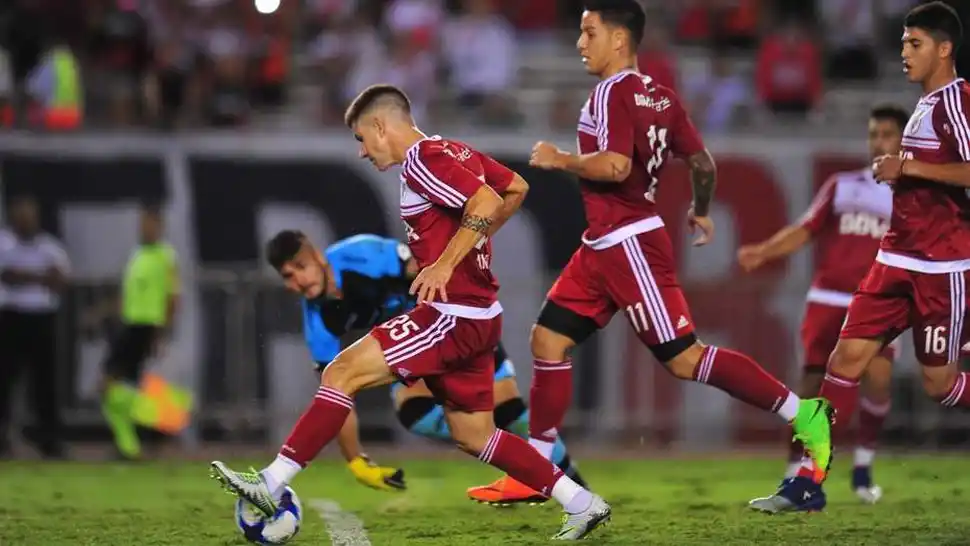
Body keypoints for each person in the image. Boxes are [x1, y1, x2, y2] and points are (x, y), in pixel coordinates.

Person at [211, 84, 611, 540]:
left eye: (362, 138)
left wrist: (445, 263)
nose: (362, 151)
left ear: (381, 125)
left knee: (341, 372)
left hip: (450, 315)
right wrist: (469, 245)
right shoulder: (451, 150)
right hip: (478, 315)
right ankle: (582, 502)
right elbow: (515, 188)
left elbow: (485, 201)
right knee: (475, 435)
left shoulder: (421, 160)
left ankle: (270, 482)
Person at [509, 0, 834, 497]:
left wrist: (562, 159)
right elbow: (702, 163)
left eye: (589, 32)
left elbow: (616, 166)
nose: (580, 43)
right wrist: (701, 208)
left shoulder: (611, 93)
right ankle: (537, 470)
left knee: (685, 359)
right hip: (603, 243)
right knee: (548, 340)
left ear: (619, 39)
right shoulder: (661, 98)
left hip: (628, 242)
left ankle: (803, 412)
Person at [750, 1, 970, 513]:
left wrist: (907, 169)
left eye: (915, 44)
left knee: (939, 384)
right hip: (896, 259)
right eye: (903, 43)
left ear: (944, 49)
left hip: (940, 268)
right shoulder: (924, 104)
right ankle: (809, 482)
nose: (904, 52)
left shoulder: (957, 101)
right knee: (843, 361)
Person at [263, 230, 587, 500]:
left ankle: (570, 485)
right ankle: (522, 464)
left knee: (511, 414)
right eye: (287, 277)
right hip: (413, 347)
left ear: (318, 257)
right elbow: (335, 397)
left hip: (455, 327)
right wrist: (356, 460)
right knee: (416, 414)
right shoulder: (317, 321)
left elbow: (428, 267)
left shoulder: (361, 254)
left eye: (298, 269)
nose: (295, 283)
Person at [737, 105, 908, 505]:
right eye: (873, 134)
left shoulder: (913, 196)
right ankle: (793, 473)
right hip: (828, 298)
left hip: (880, 302)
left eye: (887, 134)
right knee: (811, 388)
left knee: (878, 381)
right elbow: (805, 229)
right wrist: (764, 251)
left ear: (904, 140)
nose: (878, 142)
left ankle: (862, 468)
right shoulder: (842, 185)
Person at [102, 202, 180, 460]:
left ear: (160, 227)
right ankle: (130, 446)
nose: (145, 228)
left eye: (150, 224)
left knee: (110, 385)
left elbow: (172, 296)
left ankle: (166, 418)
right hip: (130, 324)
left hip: (147, 325)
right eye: (142, 224)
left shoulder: (165, 256)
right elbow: (129, 292)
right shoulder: (137, 254)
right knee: (119, 387)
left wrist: (163, 331)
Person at [0, 195, 69, 458]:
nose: (25, 221)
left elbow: (61, 280)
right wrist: (41, 277)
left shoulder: (50, 247)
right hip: (11, 315)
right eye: (21, 217)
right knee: (4, 379)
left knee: (45, 382)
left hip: (42, 317)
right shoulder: (4, 243)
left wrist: (25, 276)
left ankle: (49, 440)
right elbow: (7, 276)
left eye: (29, 217)